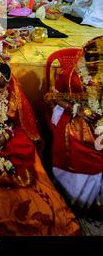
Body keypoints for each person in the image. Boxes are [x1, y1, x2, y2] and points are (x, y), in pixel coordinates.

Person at [0, 55, 80, 236]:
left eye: (1, 86)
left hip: (8, 131)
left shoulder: (14, 97)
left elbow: (17, 123)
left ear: (7, 84)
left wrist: (6, 135)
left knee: (23, 147)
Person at [44, 35, 103, 217]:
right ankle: (79, 198)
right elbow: (53, 97)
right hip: (74, 114)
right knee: (83, 141)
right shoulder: (72, 75)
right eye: (96, 68)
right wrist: (78, 109)